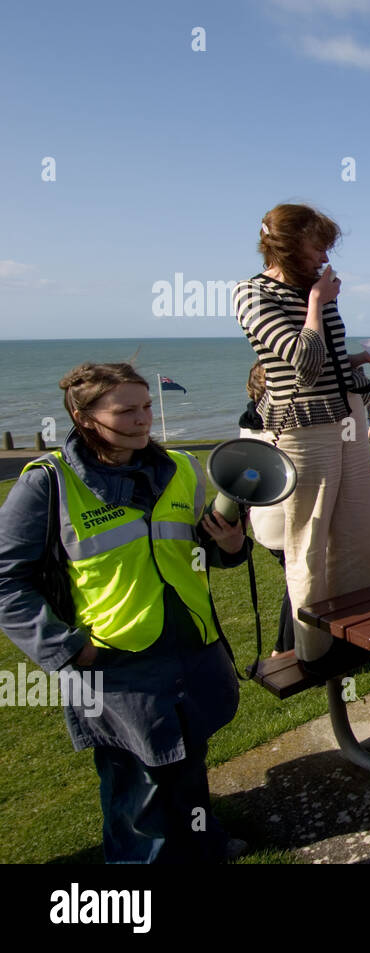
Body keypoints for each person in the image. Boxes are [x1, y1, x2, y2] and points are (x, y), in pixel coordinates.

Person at [0, 363, 250, 862]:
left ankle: (205, 842)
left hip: (191, 643)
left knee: (189, 757)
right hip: (113, 660)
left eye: (146, 408)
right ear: (83, 416)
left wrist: (229, 544)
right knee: (136, 781)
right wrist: (68, 648)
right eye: (126, 411)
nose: (143, 421)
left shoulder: (179, 467)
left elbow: (191, 548)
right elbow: (7, 582)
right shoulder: (49, 482)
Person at [234, 203, 370, 669]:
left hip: (346, 413)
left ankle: (367, 630)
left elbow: (329, 362)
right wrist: (318, 302)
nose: (325, 254)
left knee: (359, 529)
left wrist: (363, 358)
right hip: (303, 424)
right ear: (287, 244)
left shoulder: (312, 289)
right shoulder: (252, 293)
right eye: (318, 243)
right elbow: (303, 361)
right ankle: (314, 649)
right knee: (311, 534)